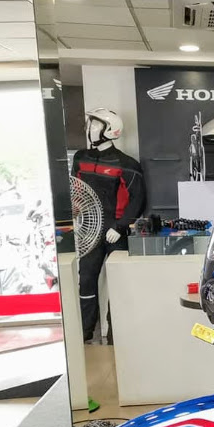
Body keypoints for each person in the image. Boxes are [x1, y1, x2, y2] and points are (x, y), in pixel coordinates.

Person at [72, 108, 145, 343]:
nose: (89, 129)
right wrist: (75, 214)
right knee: (86, 280)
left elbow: (138, 199)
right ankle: (85, 331)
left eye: (95, 125)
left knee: (118, 282)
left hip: (116, 231)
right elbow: (75, 190)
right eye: (89, 124)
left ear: (110, 130)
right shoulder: (80, 158)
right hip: (89, 230)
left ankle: (116, 334)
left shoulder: (126, 164)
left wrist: (121, 226)